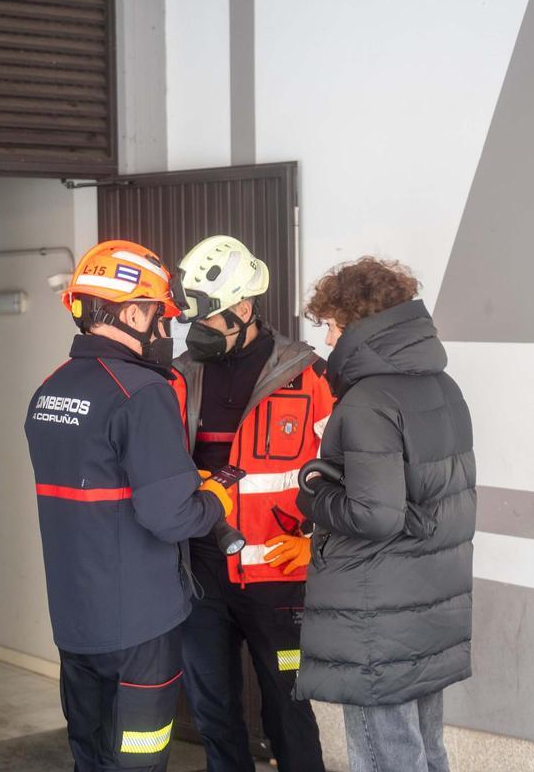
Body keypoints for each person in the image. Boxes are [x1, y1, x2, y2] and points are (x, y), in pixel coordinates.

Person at [24, 239, 235, 772]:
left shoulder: (49, 391)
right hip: (140, 622)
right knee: (138, 760)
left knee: (90, 755)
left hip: (74, 619)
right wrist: (214, 494)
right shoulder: (141, 391)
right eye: (161, 318)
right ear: (134, 312)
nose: (165, 332)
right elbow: (172, 517)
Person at [295, 257, 477, 772]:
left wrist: (312, 493)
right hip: (428, 602)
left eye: (331, 326)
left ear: (358, 325)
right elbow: (438, 503)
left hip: (377, 612)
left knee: (386, 756)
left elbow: (374, 515)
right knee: (424, 747)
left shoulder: (369, 401)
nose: (328, 342)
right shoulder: (444, 387)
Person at [169, 235, 332, 772]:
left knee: (289, 709)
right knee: (213, 713)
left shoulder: (310, 377)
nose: (198, 332)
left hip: (277, 579)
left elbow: (349, 473)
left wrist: (316, 542)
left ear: (243, 308)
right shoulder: (178, 375)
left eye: (210, 319)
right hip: (199, 577)